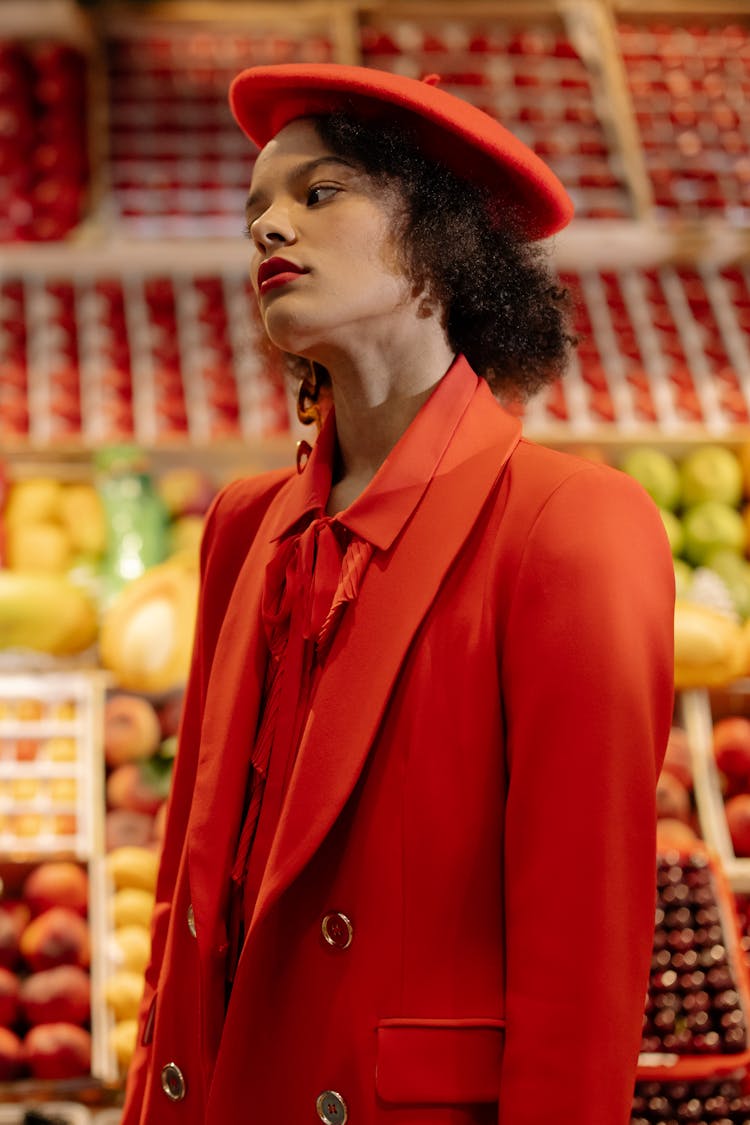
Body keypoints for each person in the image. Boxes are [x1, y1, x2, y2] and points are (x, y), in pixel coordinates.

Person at [121, 64, 674, 1125]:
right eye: (258, 209)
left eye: (320, 193)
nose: (270, 228)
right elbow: (184, 910)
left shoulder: (570, 527)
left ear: (443, 235)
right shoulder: (245, 527)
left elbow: (583, 967)